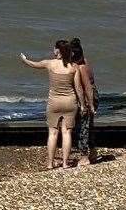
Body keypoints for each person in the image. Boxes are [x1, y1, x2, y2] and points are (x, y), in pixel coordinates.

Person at [21, 40, 91, 171]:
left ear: (57, 51)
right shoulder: (74, 67)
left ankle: (50, 163)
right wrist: (82, 105)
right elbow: (78, 89)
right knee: (67, 133)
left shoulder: (50, 64)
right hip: (70, 102)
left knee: (53, 133)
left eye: (54, 49)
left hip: (54, 102)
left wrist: (24, 60)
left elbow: (33, 64)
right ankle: (65, 163)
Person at [69, 37, 99, 165]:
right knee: (88, 126)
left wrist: (88, 104)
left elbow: (86, 87)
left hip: (88, 98)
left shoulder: (80, 67)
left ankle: (84, 156)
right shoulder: (85, 62)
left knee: (83, 127)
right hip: (92, 95)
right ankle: (92, 152)